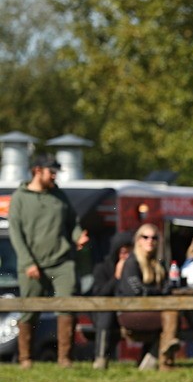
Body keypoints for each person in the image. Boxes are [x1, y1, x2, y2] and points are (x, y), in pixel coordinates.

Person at [8, 154, 89, 368]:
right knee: (30, 310)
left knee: (67, 305)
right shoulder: (20, 198)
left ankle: (65, 358)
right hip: (32, 263)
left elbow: (72, 222)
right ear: (37, 171)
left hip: (62, 262)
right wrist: (27, 263)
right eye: (50, 171)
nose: (54, 176)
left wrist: (78, 235)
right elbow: (15, 234)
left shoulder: (59, 196)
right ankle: (25, 359)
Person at [117, 223, 181, 370]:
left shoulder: (157, 264)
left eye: (154, 237)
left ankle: (159, 358)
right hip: (131, 313)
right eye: (145, 237)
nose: (149, 241)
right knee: (171, 314)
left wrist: (166, 288)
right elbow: (137, 291)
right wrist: (159, 292)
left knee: (174, 313)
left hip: (151, 311)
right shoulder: (131, 262)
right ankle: (166, 363)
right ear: (138, 240)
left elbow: (166, 287)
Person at [89, 230, 133, 369]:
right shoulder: (102, 269)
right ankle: (100, 358)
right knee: (106, 312)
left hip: (128, 313)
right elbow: (100, 294)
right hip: (104, 315)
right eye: (123, 253)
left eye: (129, 253)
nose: (126, 257)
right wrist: (117, 277)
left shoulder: (136, 269)